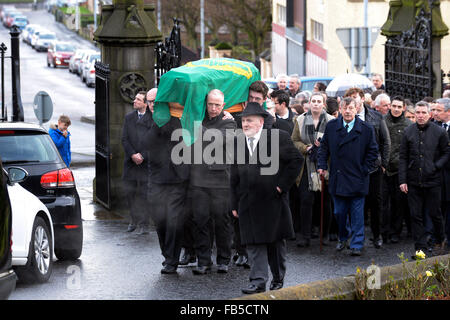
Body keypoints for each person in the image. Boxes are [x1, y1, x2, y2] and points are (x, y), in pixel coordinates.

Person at [230, 102, 303, 294]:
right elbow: (234, 176)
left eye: (250, 120)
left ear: (261, 122)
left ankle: (278, 278)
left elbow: (296, 161)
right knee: (253, 243)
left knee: (275, 243)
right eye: (243, 120)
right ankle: (258, 281)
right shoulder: (238, 141)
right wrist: (233, 203)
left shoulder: (278, 137)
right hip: (247, 201)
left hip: (272, 200)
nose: (245, 124)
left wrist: (281, 186)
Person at [317, 97, 379, 256]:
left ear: (357, 108)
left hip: (358, 178)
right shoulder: (332, 126)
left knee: (357, 215)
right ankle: (343, 236)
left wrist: (364, 169)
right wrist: (322, 166)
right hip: (338, 178)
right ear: (340, 109)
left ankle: (357, 243)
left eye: (351, 108)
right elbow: (323, 148)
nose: (348, 111)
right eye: (344, 108)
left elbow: (373, 152)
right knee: (339, 212)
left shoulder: (366, 128)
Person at [190, 89, 236, 275]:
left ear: (223, 105)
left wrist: (197, 127)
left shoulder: (230, 122)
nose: (214, 108)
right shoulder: (199, 118)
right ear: (206, 103)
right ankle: (203, 261)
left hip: (220, 181)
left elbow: (217, 139)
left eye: (217, 105)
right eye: (211, 104)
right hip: (199, 179)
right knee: (201, 221)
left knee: (222, 222)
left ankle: (224, 259)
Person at [399, 101, 450, 257]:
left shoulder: (439, 132)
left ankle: (440, 240)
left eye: (423, 113)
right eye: (418, 113)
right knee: (416, 215)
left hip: (433, 180)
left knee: (435, 213)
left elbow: (447, 153)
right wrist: (402, 180)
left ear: (429, 114)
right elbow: (403, 157)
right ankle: (419, 248)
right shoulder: (408, 131)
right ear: (414, 115)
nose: (420, 116)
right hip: (413, 181)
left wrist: (436, 166)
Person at [143, 112, 190, 274]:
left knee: (173, 220)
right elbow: (146, 142)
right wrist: (158, 122)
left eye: (155, 101)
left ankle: (172, 260)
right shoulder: (150, 120)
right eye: (150, 102)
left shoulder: (180, 118)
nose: (152, 105)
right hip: (157, 180)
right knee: (159, 220)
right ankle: (167, 253)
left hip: (178, 179)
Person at [344, 88, 391, 249]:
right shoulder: (346, 119)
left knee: (375, 202)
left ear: (362, 99)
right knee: (356, 203)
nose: (353, 102)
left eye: (355, 98)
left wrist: (383, 163)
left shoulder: (376, 117)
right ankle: (358, 237)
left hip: (373, 167)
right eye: (349, 99)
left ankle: (377, 235)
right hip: (353, 169)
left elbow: (385, 141)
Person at [292, 93, 334, 247]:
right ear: (309, 103)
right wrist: (307, 147)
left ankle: (326, 234)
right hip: (306, 166)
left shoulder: (331, 121)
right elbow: (294, 141)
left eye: (319, 101)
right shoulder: (300, 119)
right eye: (313, 101)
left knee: (325, 201)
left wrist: (323, 148)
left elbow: (335, 142)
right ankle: (305, 235)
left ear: (323, 104)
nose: (316, 104)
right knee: (306, 200)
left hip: (324, 166)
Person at [121, 91, 153, 234]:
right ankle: (133, 219)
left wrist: (143, 155)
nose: (134, 101)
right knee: (130, 192)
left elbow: (155, 141)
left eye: (138, 100)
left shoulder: (152, 119)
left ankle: (144, 223)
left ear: (145, 103)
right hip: (130, 162)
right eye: (135, 99)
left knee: (145, 193)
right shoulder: (129, 118)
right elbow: (124, 139)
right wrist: (133, 154)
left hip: (146, 163)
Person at [382, 96, 412, 243]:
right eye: (394, 106)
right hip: (383, 169)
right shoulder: (382, 121)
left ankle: (395, 231)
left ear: (404, 108)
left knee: (398, 203)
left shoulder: (408, 125)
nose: (396, 109)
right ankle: (383, 232)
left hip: (400, 170)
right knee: (382, 203)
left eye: (399, 107)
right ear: (390, 106)